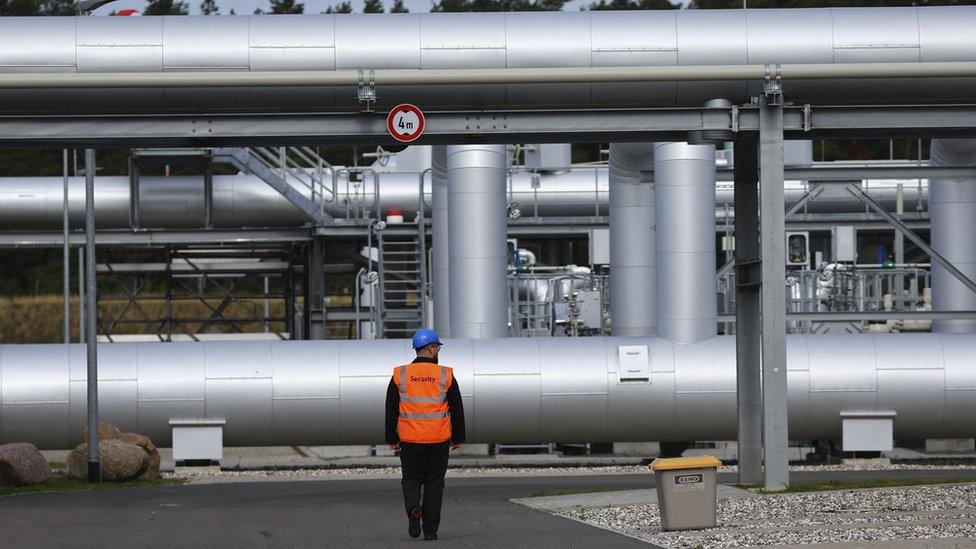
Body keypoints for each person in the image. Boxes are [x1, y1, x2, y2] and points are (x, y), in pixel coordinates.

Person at [386, 328, 465, 541]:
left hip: (410, 439)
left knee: (410, 479)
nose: (438, 351)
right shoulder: (445, 374)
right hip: (438, 439)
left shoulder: (400, 374)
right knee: (434, 483)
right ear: (430, 348)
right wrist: (458, 437)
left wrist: (391, 439)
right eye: (437, 347)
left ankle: (413, 508)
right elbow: (457, 408)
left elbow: (391, 408)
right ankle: (430, 531)